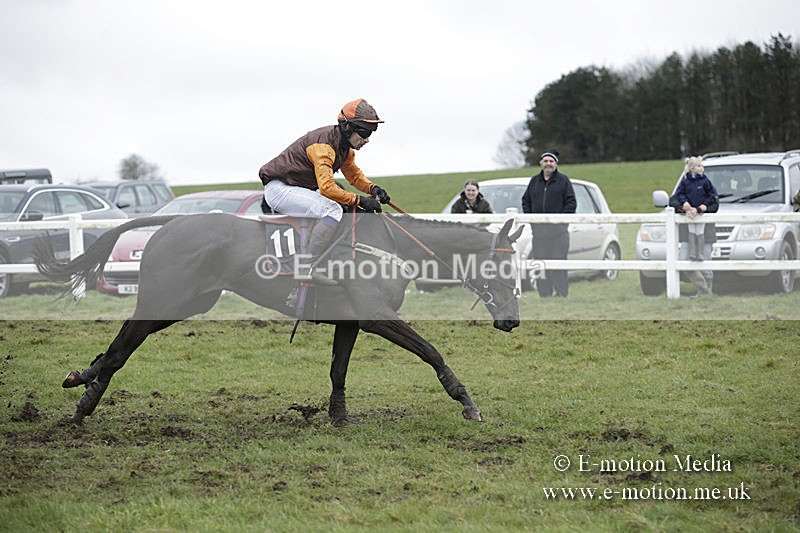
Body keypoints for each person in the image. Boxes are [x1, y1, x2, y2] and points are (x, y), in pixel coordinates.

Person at [258, 98, 391, 290]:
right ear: (347, 127)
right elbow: (327, 187)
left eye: (371, 134)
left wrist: (373, 189)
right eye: (364, 133)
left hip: (297, 187)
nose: (367, 139)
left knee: (340, 205)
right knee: (333, 210)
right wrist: (359, 200)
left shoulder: (344, 148)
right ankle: (307, 266)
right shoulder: (324, 147)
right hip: (280, 189)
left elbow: (354, 176)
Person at [521, 149, 576, 297]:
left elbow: (571, 203)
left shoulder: (563, 181)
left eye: (551, 161)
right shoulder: (534, 181)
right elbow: (526, 201)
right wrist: (532, 220)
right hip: (539, 233)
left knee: (559, 263)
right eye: (545, 161)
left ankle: (561, 293)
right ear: (541, 163)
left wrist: (561, 221)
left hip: (558, 233)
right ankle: (544, 294)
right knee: (541, 264)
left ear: (556, 164)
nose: (548, 164)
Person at [669, 156, 719, 297]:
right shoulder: (684, 183)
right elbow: (673, 200)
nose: (701, 168)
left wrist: (703, 208)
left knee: (706, 263)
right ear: (691, 168)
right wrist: (684, 207)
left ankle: (705, 293)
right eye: (698, 166)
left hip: (706, 233)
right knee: (684, 262)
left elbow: (715, 203)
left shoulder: (706, 182)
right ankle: (705, 291)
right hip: (687, 234)